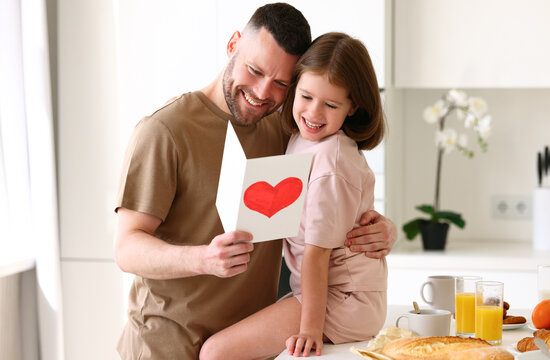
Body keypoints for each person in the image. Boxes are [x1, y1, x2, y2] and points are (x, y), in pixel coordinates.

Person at [114, 4, 396, 359]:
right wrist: (202, 259)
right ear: (233, 43)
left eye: (281, 83)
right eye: (254, 70)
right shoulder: (164, 130)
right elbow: (125, 247)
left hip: (248, 346)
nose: (263, 92)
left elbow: (336, 186)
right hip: (165, 347)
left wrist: (381, 228)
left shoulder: (285, 128)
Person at [200, 32, 387, 359]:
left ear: (352, 106)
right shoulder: (302, 138)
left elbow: (317, 255)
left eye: (330, 105)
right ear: (293, 88)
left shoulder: (331, 162)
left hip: (344, 301)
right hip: (324, 292)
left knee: (215, 353)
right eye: (306, 97)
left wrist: (309, 330)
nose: (314, 114)